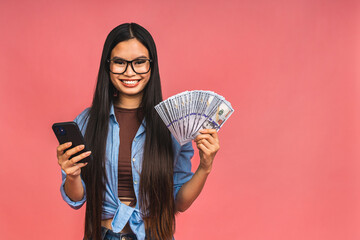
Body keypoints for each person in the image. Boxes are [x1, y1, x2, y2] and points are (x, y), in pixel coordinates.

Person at [56, 23, 220, 240]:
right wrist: (72, 175)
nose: (129, 72)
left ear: (151, 66)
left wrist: (205, 167)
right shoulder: (87, 122)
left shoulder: (173, 124)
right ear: (108, 65)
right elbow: (77, 199)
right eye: (120, 62)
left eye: (139, 62)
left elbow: (179, 201)